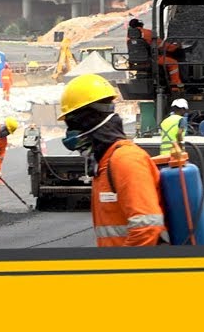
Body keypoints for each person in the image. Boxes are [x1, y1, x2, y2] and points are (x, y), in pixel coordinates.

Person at [58, 74, 166, 247]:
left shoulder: (125, 160)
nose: (70, 134)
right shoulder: (104, 164)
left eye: (73, 124)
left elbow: (146, 229)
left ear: (90, 121)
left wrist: (118, 270)